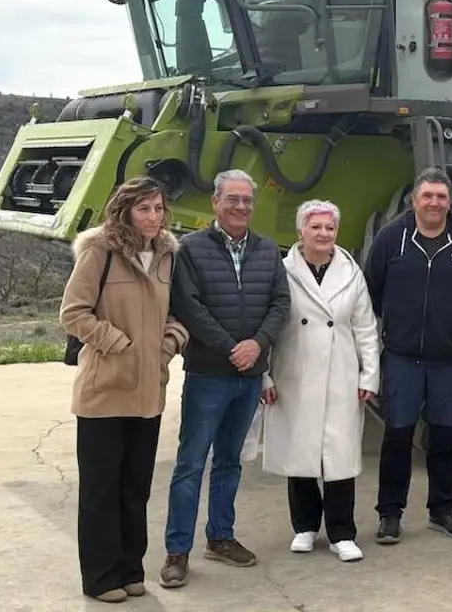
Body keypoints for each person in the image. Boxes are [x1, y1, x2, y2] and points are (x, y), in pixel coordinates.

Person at [159, 169, 291, 589]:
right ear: (215, 202)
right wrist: (232, 347)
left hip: (249, 376)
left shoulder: (269, 251)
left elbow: (280, 302)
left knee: (230, 461)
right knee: (191, 463)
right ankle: (177, 551)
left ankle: (220, 537)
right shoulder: (191, 250)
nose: (240, 207)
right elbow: (189, 306)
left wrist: (258, 344)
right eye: (232, 199)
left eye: (246, 200)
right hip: (208, 374)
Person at [60, 176, 189, 603]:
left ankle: (132, 570)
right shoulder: (101, 249)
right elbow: (73, 312)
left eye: (158, 209)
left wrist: (167, 346)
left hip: (150, 391)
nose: (153, 217)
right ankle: (100, 577)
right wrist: (118, 344)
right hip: (105, 390)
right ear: (124, 210)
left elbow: (177, 314)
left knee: (135, 488)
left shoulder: (168, 255)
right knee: (100, 490)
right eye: (144, 209)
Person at [364, 167, 452, 544]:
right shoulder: (391, 239)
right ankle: (389, 513)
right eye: (427, 196)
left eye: (441, 197)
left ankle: (443, 510)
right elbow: (372, 291)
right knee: (397, 436)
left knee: (445, 437)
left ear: (450, 203)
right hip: (402, 358)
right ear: (414, 200)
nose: (434, 203)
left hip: (449, 359)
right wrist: (395, 331)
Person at [260, 199, 382, 562]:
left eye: (329, 228)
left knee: (339, 456)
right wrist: (262, 376)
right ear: (301, 231)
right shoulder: (281, 271)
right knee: (300, 453)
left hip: (341, 374)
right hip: (293, 373)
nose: (323, 234)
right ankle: (305, 527)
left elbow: (366, 327)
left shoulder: (351, 273)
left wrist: (370, 375)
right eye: (316, 227)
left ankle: (342, 532)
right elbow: (264, 326)